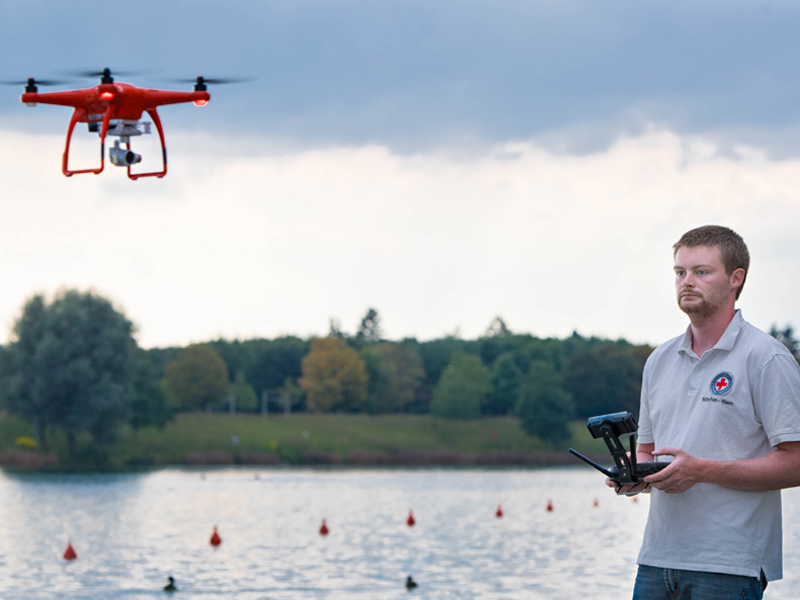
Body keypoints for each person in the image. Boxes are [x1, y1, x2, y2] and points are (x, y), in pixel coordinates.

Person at [610, 225, 800, 600]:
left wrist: (701, 471)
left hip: (729, 565)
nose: (687, 282)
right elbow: (648, 450)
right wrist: (637, 474)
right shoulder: (659, 360)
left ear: (735, 278)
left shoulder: (766, 358)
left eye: (701, 271)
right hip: (655, 560)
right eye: (680, 272)